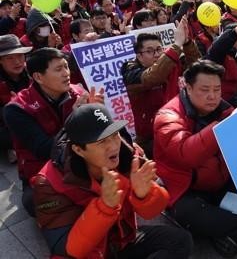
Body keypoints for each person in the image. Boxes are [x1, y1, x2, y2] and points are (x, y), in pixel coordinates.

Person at [32, 103, 193, 258]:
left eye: (114, 135)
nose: (114, 146)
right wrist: (105, 207)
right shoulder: (47, 183)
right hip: (90, 253)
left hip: (121, 241)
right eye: (102, 141)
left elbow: (152, 212)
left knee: (180, 241)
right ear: (78, 150)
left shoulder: (129, 155)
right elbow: (68, 248)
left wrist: (145, 195)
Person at [154, 60, 237, 257]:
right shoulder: (167, 116)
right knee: (191, 213)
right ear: (188, 87)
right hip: (187, 191)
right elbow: (186, 155)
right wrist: (225, 124)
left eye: (217, 89)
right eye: (204, 89)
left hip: (220, 182)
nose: (212, 96)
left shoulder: (222, 108)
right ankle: (231, 232)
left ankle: (225, 232)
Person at [4, 48, 101, 216]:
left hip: (82, 163)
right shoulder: (16, 108)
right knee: (38, 203)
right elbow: (44, 150)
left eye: (66, 67)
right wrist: (75, 119)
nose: (66, 73)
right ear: (38, 77)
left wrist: (98, 112)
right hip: (42, 172)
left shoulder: (78, 92)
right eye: (58, 69)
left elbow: (99, 134)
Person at [122, 17, 200, 156]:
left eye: (159, 49)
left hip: (177, 125)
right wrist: (176, 45)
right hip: (150, 137)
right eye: (150, 51)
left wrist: (187, 42)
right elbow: (153, 77)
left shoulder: (169, 62)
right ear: (139, 56)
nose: (157, 54)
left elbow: (197, 67)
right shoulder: (130, 72)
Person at [0, 35, 32, 164]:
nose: (17, 62)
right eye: (10, 58)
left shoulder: (31, 72)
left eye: (20, 56)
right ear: (0, 61)